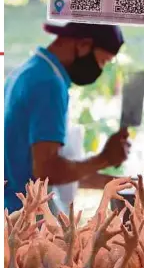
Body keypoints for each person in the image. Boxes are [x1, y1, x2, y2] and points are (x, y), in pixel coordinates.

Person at [4, 22, 131, 213]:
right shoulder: (49, 84)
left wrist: (118, 184)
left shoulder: (27, 71)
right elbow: (47, 171)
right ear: (83, 45)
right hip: (22, 218)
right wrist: (104, 158)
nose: (99, 70)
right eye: (102, 62)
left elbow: (29, 165)